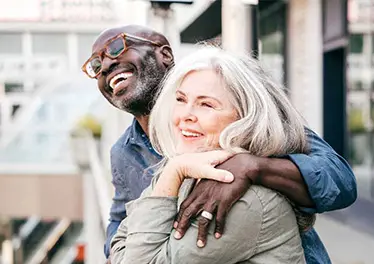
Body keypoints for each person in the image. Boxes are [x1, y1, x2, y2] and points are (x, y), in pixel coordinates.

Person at [82, 25, 357, 264]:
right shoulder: (124, 152)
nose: (105, 66)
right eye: (96, 65)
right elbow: (120, 224)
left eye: (117, 47)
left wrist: (252, 167)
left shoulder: (257, 125)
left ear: (164, 54)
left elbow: (340, 180)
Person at [110, 45, 314, 263]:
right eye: (180, 99)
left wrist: (172, 172)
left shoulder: (249, 200)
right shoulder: (186, 168)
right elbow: (118, 243)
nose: (185, 115)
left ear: (244, 116)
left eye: (206, 104)